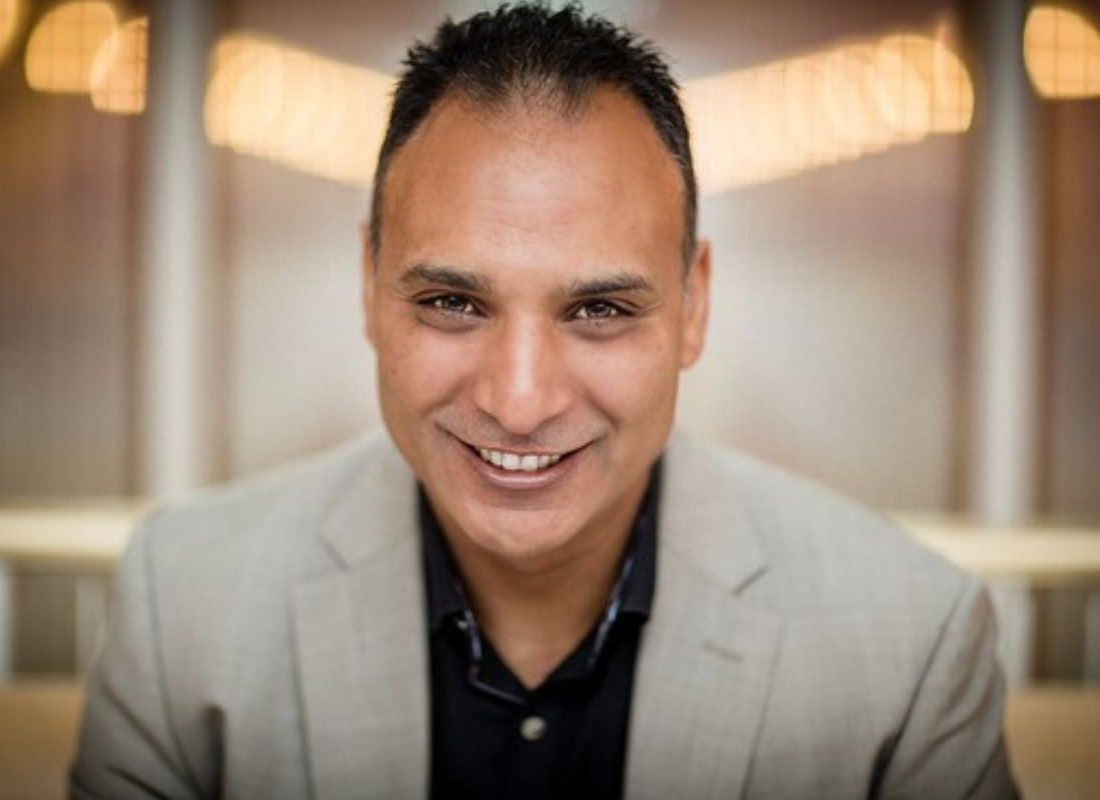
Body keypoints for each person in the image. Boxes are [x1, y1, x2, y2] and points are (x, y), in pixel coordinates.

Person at [70, 4, 1019, 799]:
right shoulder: (183, 610)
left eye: (599, 309)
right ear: (368, 286)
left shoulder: (909, 645)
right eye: (452, 302)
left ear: (694, 306)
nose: (520, 402)